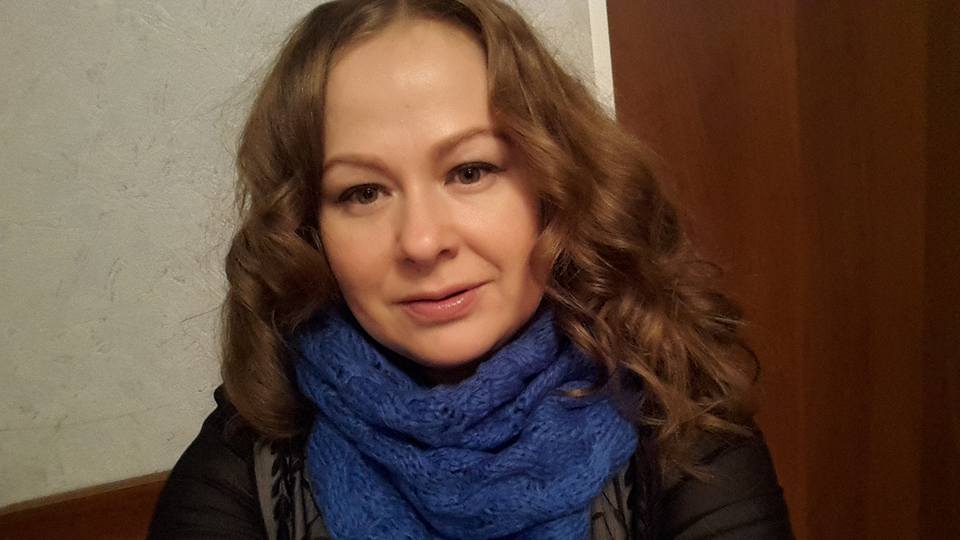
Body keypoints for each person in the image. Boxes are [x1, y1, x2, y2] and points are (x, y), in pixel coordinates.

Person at [150, 0, 793, 538]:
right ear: (308, 230)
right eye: (363, 192)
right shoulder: (249, 457)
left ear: (554, 186)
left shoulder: (680, 428)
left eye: (470, 171)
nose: (423, 241)